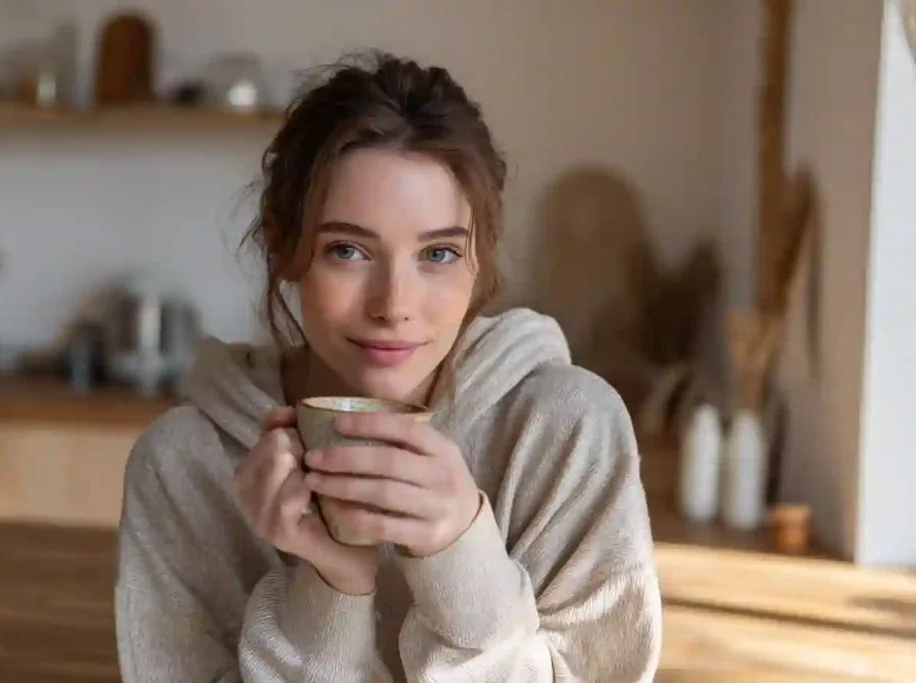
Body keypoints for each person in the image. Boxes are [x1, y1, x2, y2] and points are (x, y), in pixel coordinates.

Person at [115, 51, 662, 682]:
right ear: (284, 246)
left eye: (437, 253)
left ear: (479, 257)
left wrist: (461, 557)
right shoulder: (183, 465)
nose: (393, 306)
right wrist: (331, 587)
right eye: (347, 250)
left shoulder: (566, 431)